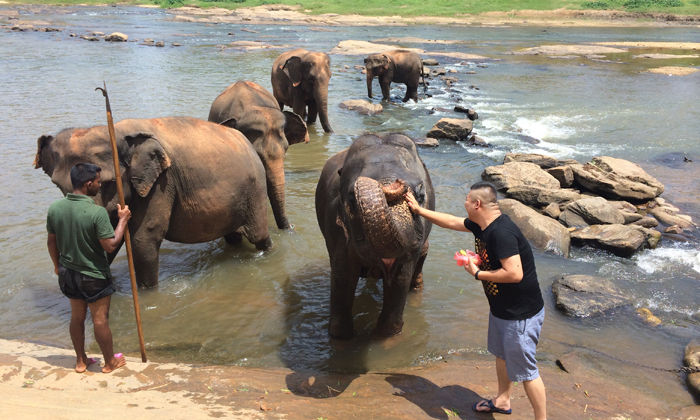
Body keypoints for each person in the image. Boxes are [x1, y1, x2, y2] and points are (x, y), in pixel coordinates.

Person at [404, 181, 546, 419]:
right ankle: (502, 401)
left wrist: (478, 273)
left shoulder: (502, 232)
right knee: (502, 356)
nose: (464, 203)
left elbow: (515, 273)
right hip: (502, 309)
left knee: (526, 371)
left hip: (520, 314)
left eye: (467, 200)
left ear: (477, 204)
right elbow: (452, 221)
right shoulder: (483, 226)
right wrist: (419, 211)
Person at [46, 163, 130, 374]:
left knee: (77, 317)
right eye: (98, 182)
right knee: (100, 320)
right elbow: (110, 245)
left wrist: (57, 266)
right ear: (88, 183)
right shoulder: (97, 212)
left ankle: (81, 361)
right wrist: (122, 221)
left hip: (68, 273)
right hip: (94, 276)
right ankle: (110, 362)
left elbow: (51, 242)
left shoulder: (55, 208)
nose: (99, 186)